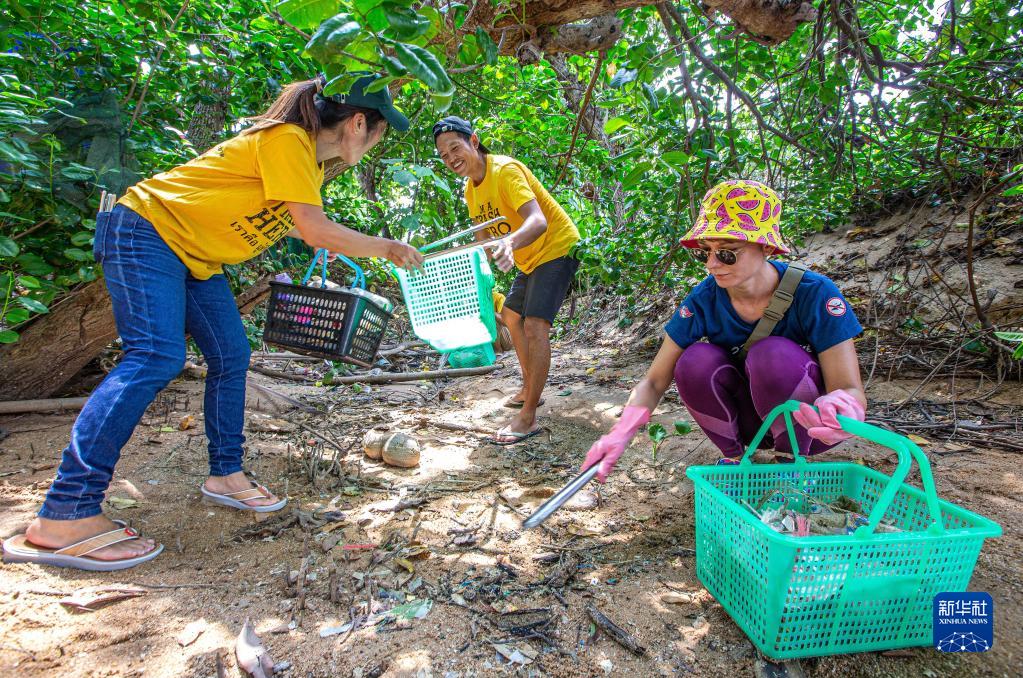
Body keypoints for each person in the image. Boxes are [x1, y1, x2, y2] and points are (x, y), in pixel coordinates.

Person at [3, 75, 424, 571]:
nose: (376, 144)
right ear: (358, 123)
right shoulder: (288, 140)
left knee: (230, 354)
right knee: (156, 356)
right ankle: (65, 512)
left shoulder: (305, 163)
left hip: (196, 259)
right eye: (378, 132)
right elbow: (315, 231)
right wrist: (389, 248)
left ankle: (225, 474)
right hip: (147, 232)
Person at [581, 180, 866, 482]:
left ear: (766, 247)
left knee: (771, 354)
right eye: (705, 252)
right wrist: (621, 431)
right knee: (694, 360)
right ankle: (733, 457)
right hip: (747, 421)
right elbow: (654, 381)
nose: (712, 264)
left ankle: (790, 463)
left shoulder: (815, 293)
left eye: (727, 253)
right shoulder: (703, 300)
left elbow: (849, 388)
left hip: (810, 425)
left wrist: (842, 407)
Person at [433, 116, 580, 444]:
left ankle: (528, 417)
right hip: (529, 258)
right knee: (512, 316)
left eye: (454, 148)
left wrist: (509, 244)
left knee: (535, 326)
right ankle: (530, 387)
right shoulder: (470, 189)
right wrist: (457, 268)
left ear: (473, 140)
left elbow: (538, 221)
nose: (450, 158)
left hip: (557, 245)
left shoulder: (505, 171)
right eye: (443, 155)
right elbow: (483, 242)